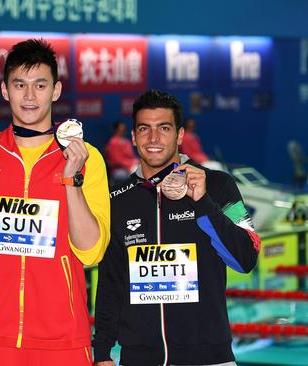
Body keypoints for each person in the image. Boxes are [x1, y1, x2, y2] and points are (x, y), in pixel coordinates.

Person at [0, 39, 110, 366]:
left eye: (40, 85)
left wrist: (71, 178)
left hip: (65, 343)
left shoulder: (87, 160)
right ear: (5, 90)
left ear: (56, 90)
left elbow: (91, 251)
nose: (30, 96)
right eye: (20, 85)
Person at [93, 90, 260, 366]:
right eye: (144, 129)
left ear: (180, 135)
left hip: (209, 358)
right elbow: (111, 281)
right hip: (139, 358)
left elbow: (246, 257)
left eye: (164, 128)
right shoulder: (118, 199)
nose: (154, 139)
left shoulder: (219, 186)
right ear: (133, 137)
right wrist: (102, 353)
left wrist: (203, 203)